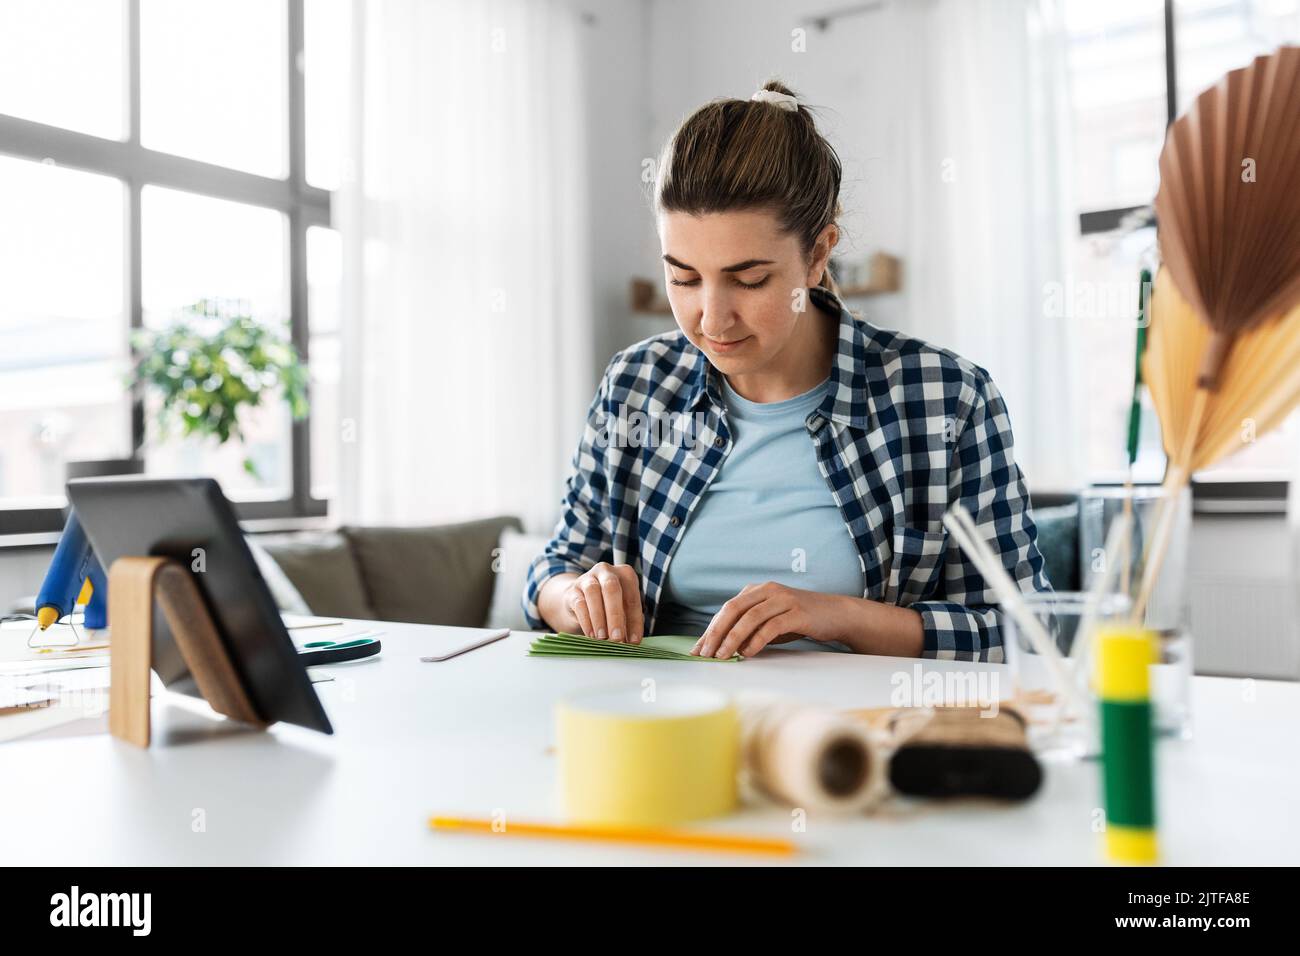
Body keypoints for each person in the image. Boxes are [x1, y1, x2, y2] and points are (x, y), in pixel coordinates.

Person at [523, 81, 1050, 661]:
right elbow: (552, 571)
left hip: (854, 734)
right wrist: (575, 596)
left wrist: (841, 617)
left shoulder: (947, 399)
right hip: (669, 722)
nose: (712, 319)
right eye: (684, 278)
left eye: (749, 280)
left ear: (819, 254)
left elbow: (1023, 631)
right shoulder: (636, 386)